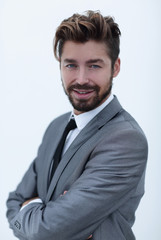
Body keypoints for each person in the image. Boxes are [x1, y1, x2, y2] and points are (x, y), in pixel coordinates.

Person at [6, 10, 148, 240]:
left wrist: (33, 211)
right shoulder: (56, 127)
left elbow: (45, 231)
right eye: (71, 65)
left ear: (115, 67)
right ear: (60, 66)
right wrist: (42, 216)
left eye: (94, 66)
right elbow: (14, 200)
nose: (81, 79)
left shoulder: (126, 139)